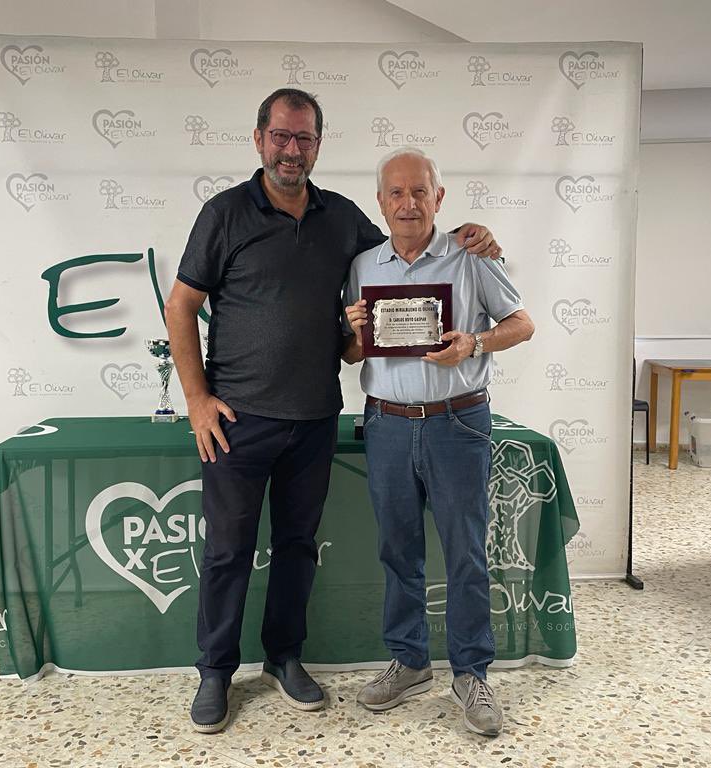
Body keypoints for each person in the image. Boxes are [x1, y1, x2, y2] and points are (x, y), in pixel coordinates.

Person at [165, 88, 504, 734]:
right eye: (281, 137)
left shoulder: (346, 219)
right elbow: (180, 307)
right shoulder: (225, 214)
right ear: (259, 138)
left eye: (305, 139)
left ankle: (284, 658)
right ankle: (215, 671)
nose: (292, 150)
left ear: (318, 145)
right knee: (229, 551)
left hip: (316, 417)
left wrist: (471, 235)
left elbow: (410, 250)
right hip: (235, 421)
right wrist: (197, 399)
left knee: (297, 548)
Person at [342, 147, 535, 737]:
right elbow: (353, 354)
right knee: (398, 551)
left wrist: (472, 344)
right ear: (380, 202)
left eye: (419, 191)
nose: (408, 203)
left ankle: (472, 671)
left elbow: (522, 323)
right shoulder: (362, 266)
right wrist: (349, 336)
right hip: (388, 422)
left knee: (466, 552)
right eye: (396, 193)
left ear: (439, 197)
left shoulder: (471, 255)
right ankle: (409, 660)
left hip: (458, 422)